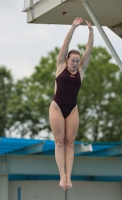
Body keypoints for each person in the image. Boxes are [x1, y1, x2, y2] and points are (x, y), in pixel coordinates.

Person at [49, 17, 94, 190]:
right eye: (73, 60)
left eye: (77, 60)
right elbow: (65, 45)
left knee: (70, 142)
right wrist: (74, 27)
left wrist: (91, 32)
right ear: (67, 60)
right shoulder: (60, 66)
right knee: (59, 141)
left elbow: (89, 50)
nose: (75, 63)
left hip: (72, 109)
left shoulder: (81, 70)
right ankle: (62, 176)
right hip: (57, 108)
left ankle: (69, 176)